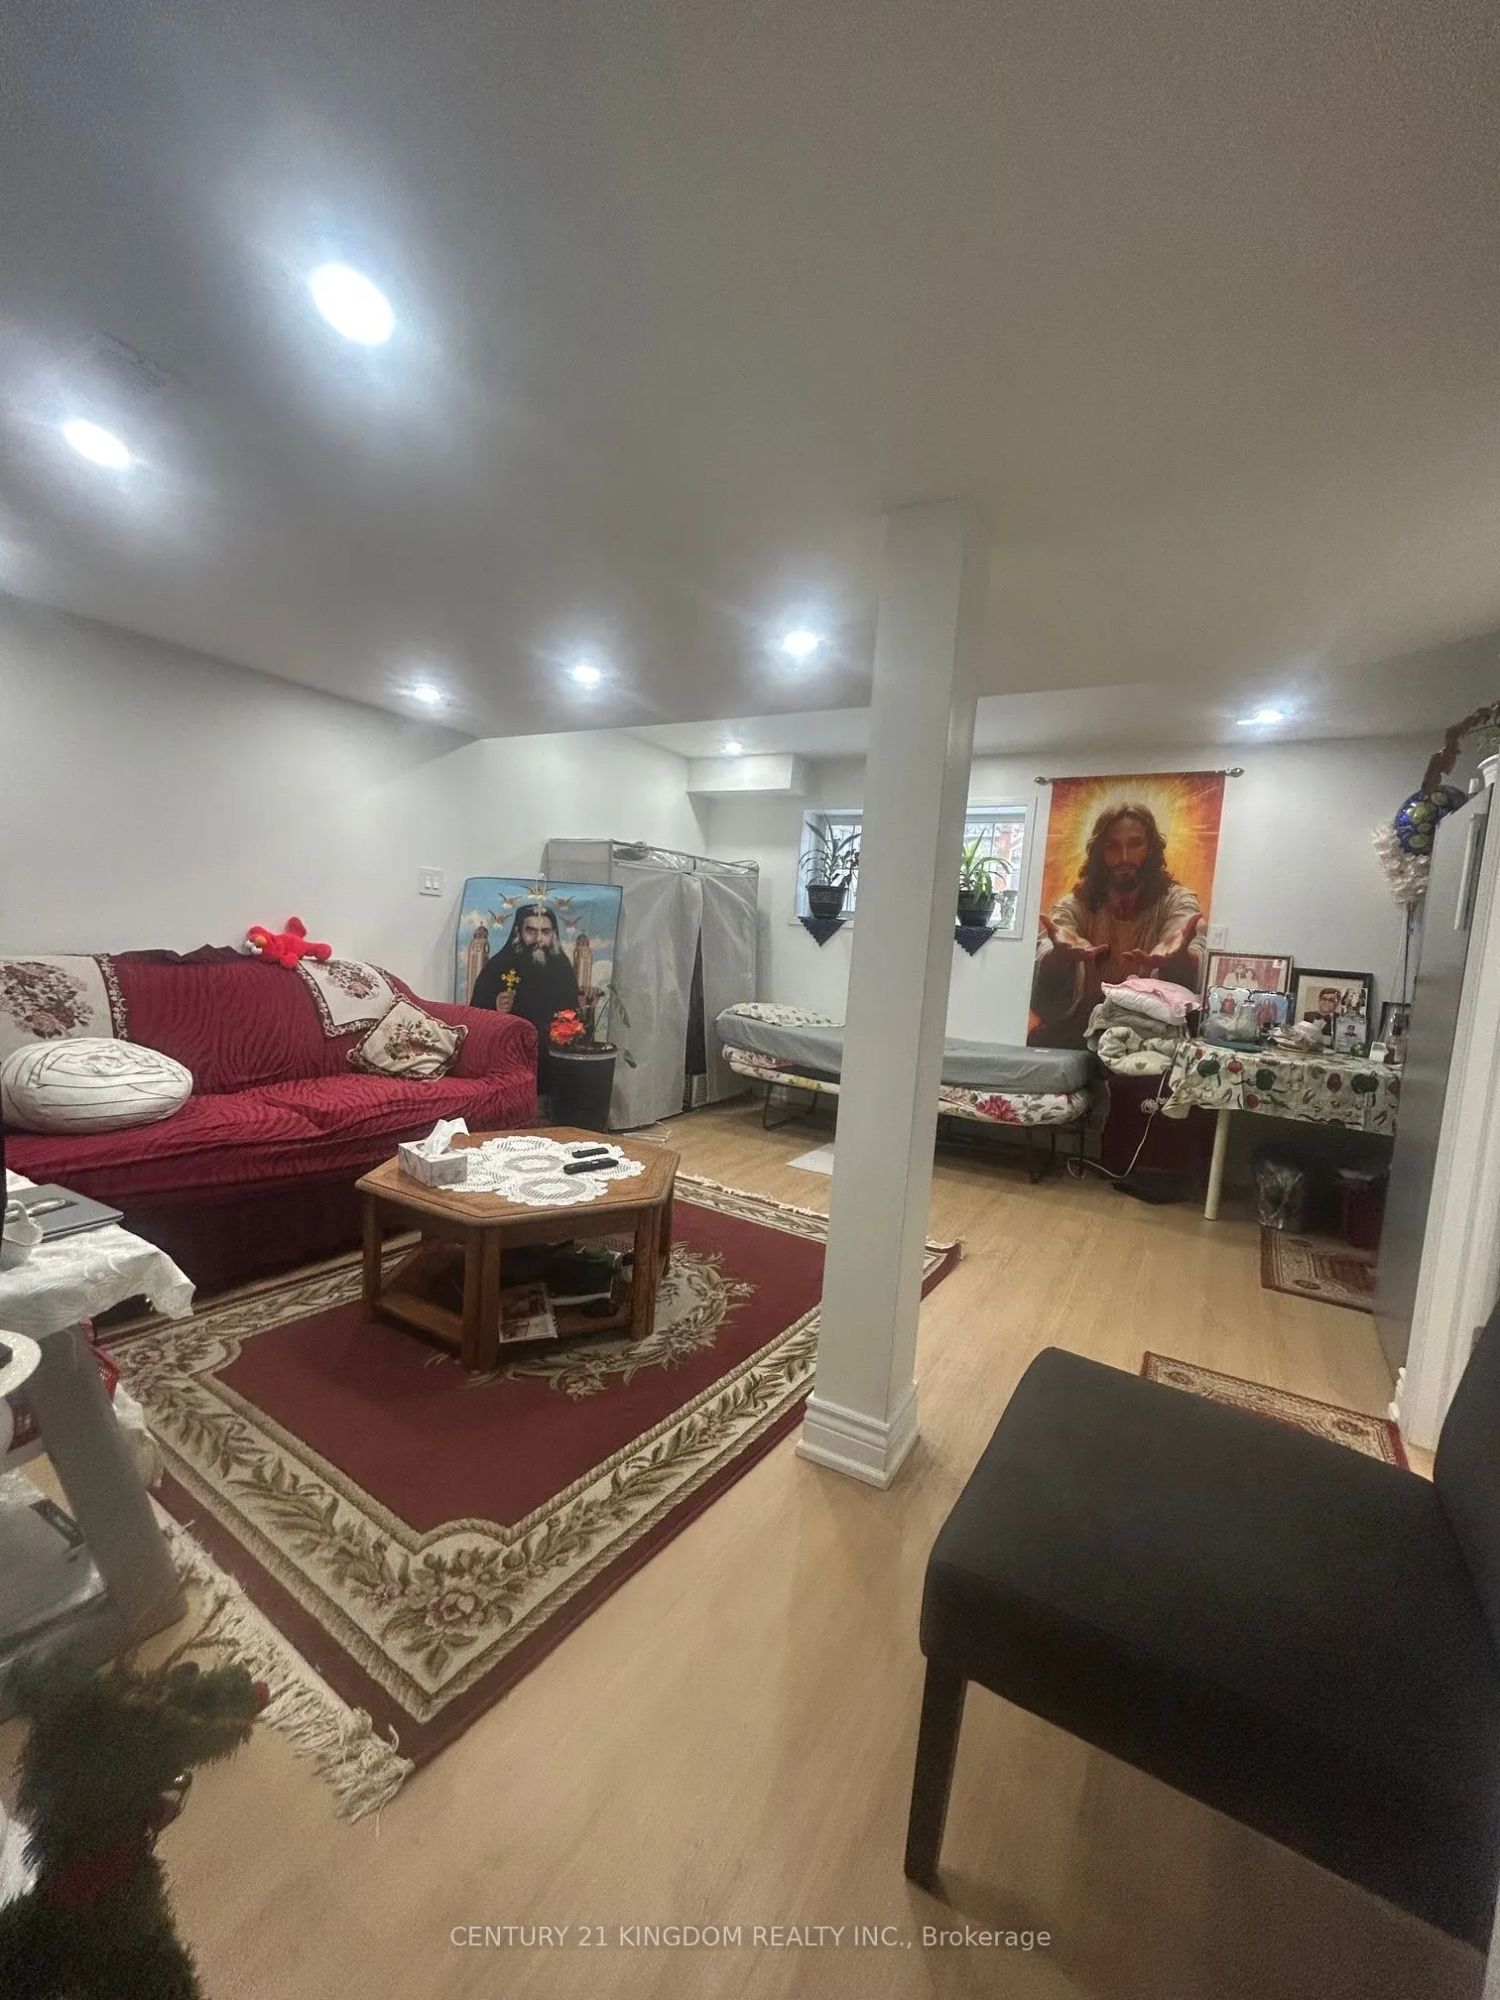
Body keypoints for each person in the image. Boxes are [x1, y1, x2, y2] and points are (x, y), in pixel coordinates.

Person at [1031, 802, 1206, 1047]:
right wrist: (1059, 957)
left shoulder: (1176, 901)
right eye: (1112, 846)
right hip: (1078, 1038)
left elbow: (1182, 931)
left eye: (1135, 844)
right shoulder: (1075, 905)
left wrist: (1178, 957)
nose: (1124, 858)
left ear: (1151, 848)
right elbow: (1054, 944)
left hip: (1149, 1040)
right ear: (1099, 853)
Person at [469, 902, 580, 1039]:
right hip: (510, 1044)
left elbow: (573, 1015)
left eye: (545, 932)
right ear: (518, 932)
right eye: (531, 931)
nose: (538, 939)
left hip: (552, 1047)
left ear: (553, 934)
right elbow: (476, 1015)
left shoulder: (563, 968)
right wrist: (495, 1006)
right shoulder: (498, 965)